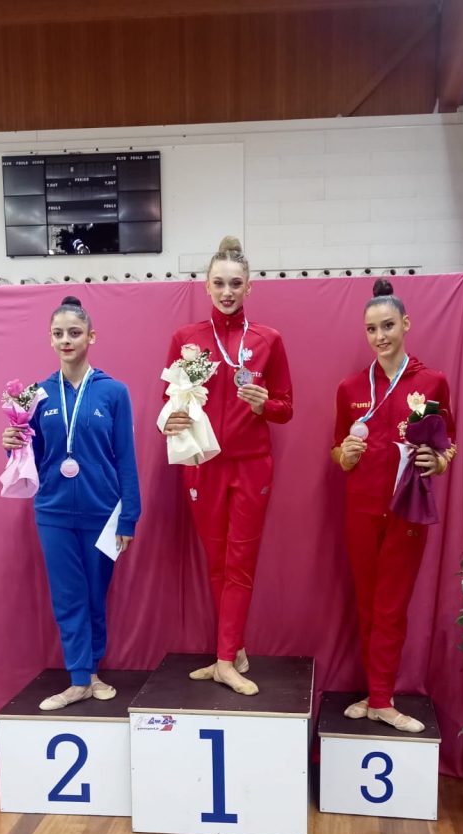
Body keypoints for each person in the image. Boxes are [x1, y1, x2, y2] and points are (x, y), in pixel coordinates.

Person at [162, 236, 293, 695]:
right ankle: (232, 650)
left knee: (240, 562)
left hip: (252, 465)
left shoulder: (268, 340)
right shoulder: (186, 340)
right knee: (216, 563)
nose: (227, 291)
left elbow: (286, 408)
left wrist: (264, 405)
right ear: (206, 285)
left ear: (249, 287)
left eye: (236, 283)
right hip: (202, 463)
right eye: (219, 283)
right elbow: (168, 404)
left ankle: (222, 662)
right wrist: (170, 419)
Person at [2, 295, 140, 711]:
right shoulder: (36, 396)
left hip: (104, 513)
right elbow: (30, 455)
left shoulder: (114, 392)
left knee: (96, 595)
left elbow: (126, 458)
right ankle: (79, 678)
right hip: (54, 513)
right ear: (50, 339)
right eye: (59, 333)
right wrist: (10, 444)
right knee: (68, 596)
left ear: (91, 337)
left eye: (75, 333)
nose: (66, 340)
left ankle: (92, 672)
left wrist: (129, 517)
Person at [332, 279, 456, 732]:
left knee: (390, 608)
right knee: (367, 606)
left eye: (387, 325)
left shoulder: (431, 383)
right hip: (360, 510)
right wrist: (345, 455)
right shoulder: (350, 387)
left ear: (406, 324)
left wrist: (437, 461)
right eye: (371, 329)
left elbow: (447, 445)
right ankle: (375, 693)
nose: (380, 336)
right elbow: (336, 451)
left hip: (407, 510)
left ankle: (383, 699)